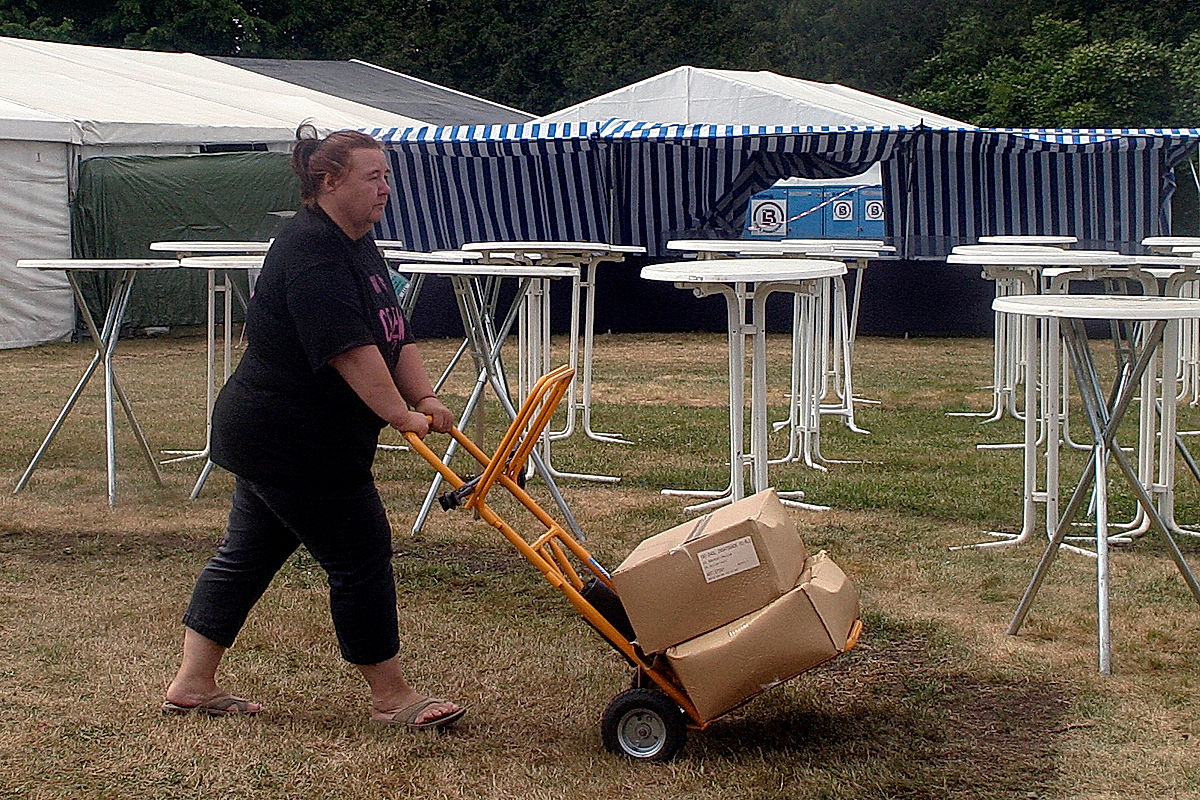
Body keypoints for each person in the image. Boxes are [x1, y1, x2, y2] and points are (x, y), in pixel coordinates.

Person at [162, 123, 464, 730]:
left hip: (292, 438)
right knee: (360, 553)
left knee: (248, 554)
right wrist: (397, 414)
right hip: (287, 438)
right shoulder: (307, 250)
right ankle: (392, 697)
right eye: (372, 177)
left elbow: (390, 328)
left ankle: (192, 683)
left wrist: (425, 394)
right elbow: (350, 349)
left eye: (387, 177)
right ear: (329, 182)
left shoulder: (357, 241)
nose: (385, 189)